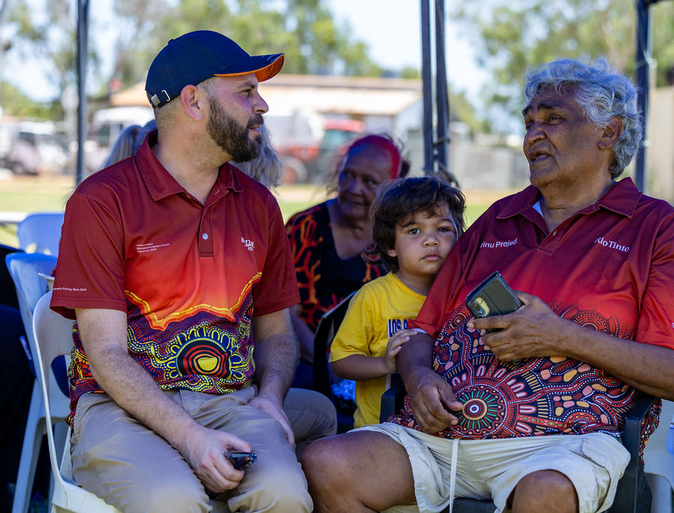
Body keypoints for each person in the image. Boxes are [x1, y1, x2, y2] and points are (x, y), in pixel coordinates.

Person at [301, 57, 674, 513]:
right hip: (441, 436)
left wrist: (562, 336)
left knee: (545, 493)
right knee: (326, 463)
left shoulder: (656, 227)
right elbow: (422, 330)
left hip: (563, 445)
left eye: (553, 119)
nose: (533, 135)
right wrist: (418, 377)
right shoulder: (498, 218)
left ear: (608, 132)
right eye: (529, 122)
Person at [50, 30, 329, 512]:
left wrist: (270, 396)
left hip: (232, 401)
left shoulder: (260, 205)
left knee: (284, 495)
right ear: (194, 101)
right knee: (173, 500)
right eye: (246, 91)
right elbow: (107, 353)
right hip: (120, 408)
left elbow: (277, 334)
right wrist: (190, 437)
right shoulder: (101, 200)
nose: (262, 105)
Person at [329, 175, 465, 428]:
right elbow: (341, 362)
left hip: (448, 425)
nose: (431, 240)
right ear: (390, 244)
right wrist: (384, 364)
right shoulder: (374, 297)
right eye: (414, 231)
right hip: (381, 428)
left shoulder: (464, 295)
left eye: (443, 229)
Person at [285, 134, 404, 387]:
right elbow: (287, 314)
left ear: (392, 187)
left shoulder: (402, 236)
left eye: (369, 181)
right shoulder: (306, 227)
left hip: (381, 361)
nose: (354, 188)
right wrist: (333, 367)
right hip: (312, 360)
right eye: (347, 174)